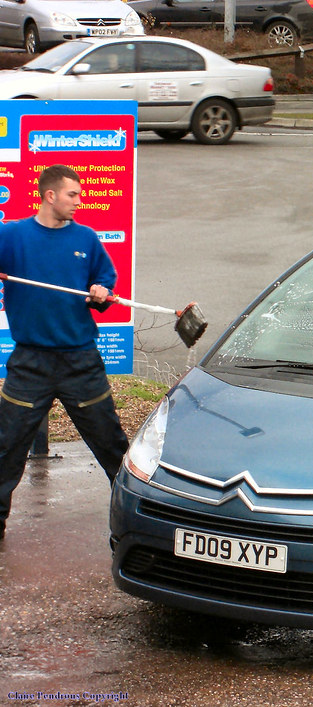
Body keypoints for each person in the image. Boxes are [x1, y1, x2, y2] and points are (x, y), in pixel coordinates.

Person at [0, 164, 129, 541]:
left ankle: (133, 521)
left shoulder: (86, 239)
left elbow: (105, 280)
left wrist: (102, 292)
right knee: (6, 446)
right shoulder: (12, 236)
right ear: (49, 195)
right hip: (30, 363)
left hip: (80, 362)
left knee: (112, 444)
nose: (78, 201)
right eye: (72, 194)